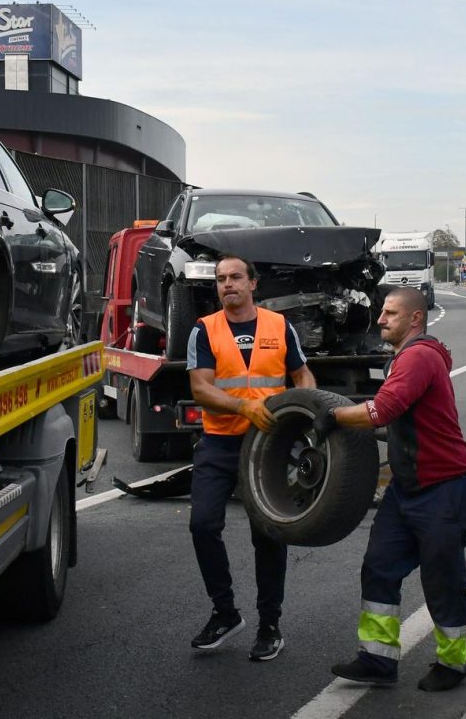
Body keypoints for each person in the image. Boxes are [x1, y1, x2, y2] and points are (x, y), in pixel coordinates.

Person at [320, 286, 466, 692]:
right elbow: (399, 420)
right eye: (382, 312)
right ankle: (377, 659)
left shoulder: (419, 357)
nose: (380, 319)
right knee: (379, 566)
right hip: (407, 488)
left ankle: (454, 663)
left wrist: (333, 416)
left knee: (443, 579)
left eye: (390, 313)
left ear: (415, 319)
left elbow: (382, 410)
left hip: (445, 489)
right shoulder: (405, 358)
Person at [186, 254, 316, 662]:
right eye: (221, 279)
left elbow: (302, 374)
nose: (227, 284)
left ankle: (269, 625)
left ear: (253, 284)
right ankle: (225, 613)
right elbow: (201, 389)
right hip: (220, 443)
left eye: (235, 277)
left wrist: (305, 409)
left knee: (269, 535)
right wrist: (242, 407)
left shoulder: (279, 326)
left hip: (269, 446)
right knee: (203, 524)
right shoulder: (204, 329)